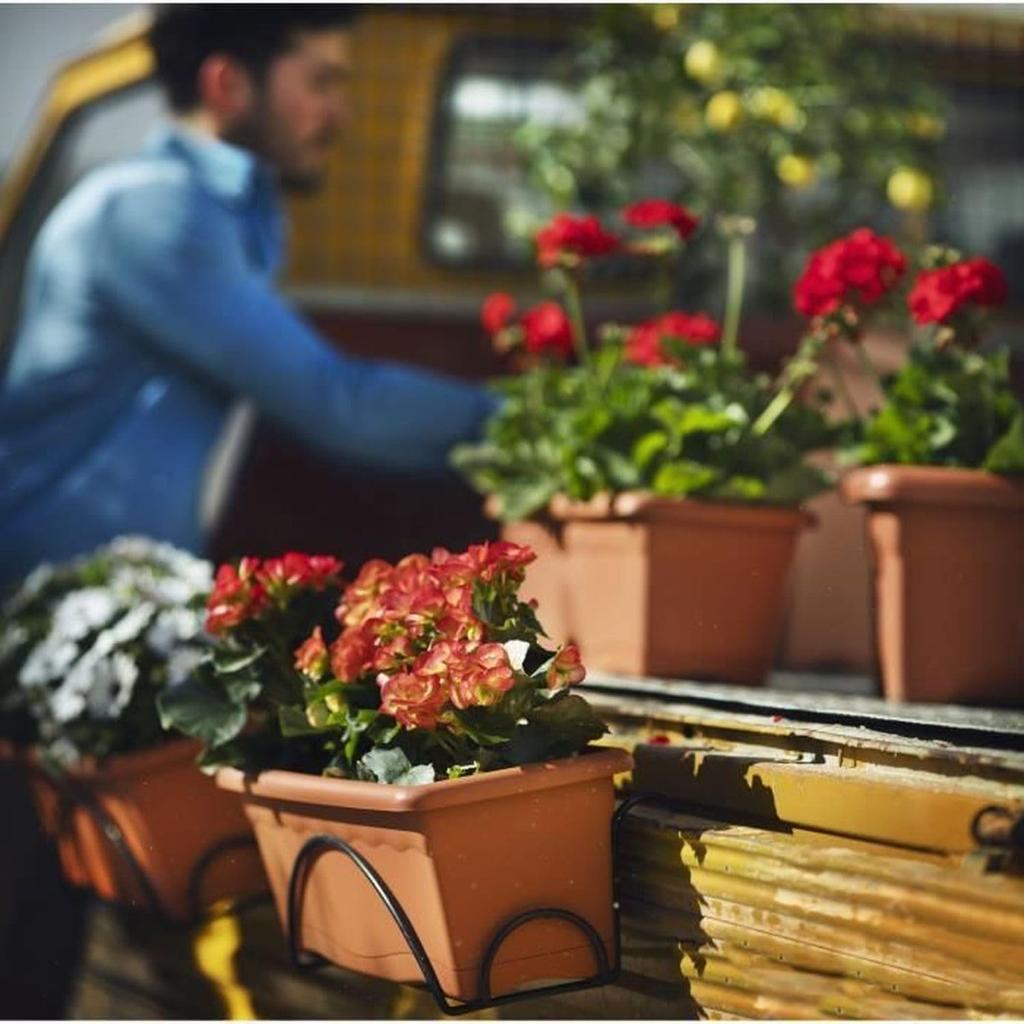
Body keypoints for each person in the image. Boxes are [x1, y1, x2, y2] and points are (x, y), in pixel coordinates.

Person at [0, 5, 496, 588]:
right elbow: (339, 404)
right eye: (322, 81)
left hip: (109, 602)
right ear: (227, 84)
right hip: (46, 615)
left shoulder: (223, 208)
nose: (341, 113)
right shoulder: (151, 211)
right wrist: (524, 423)